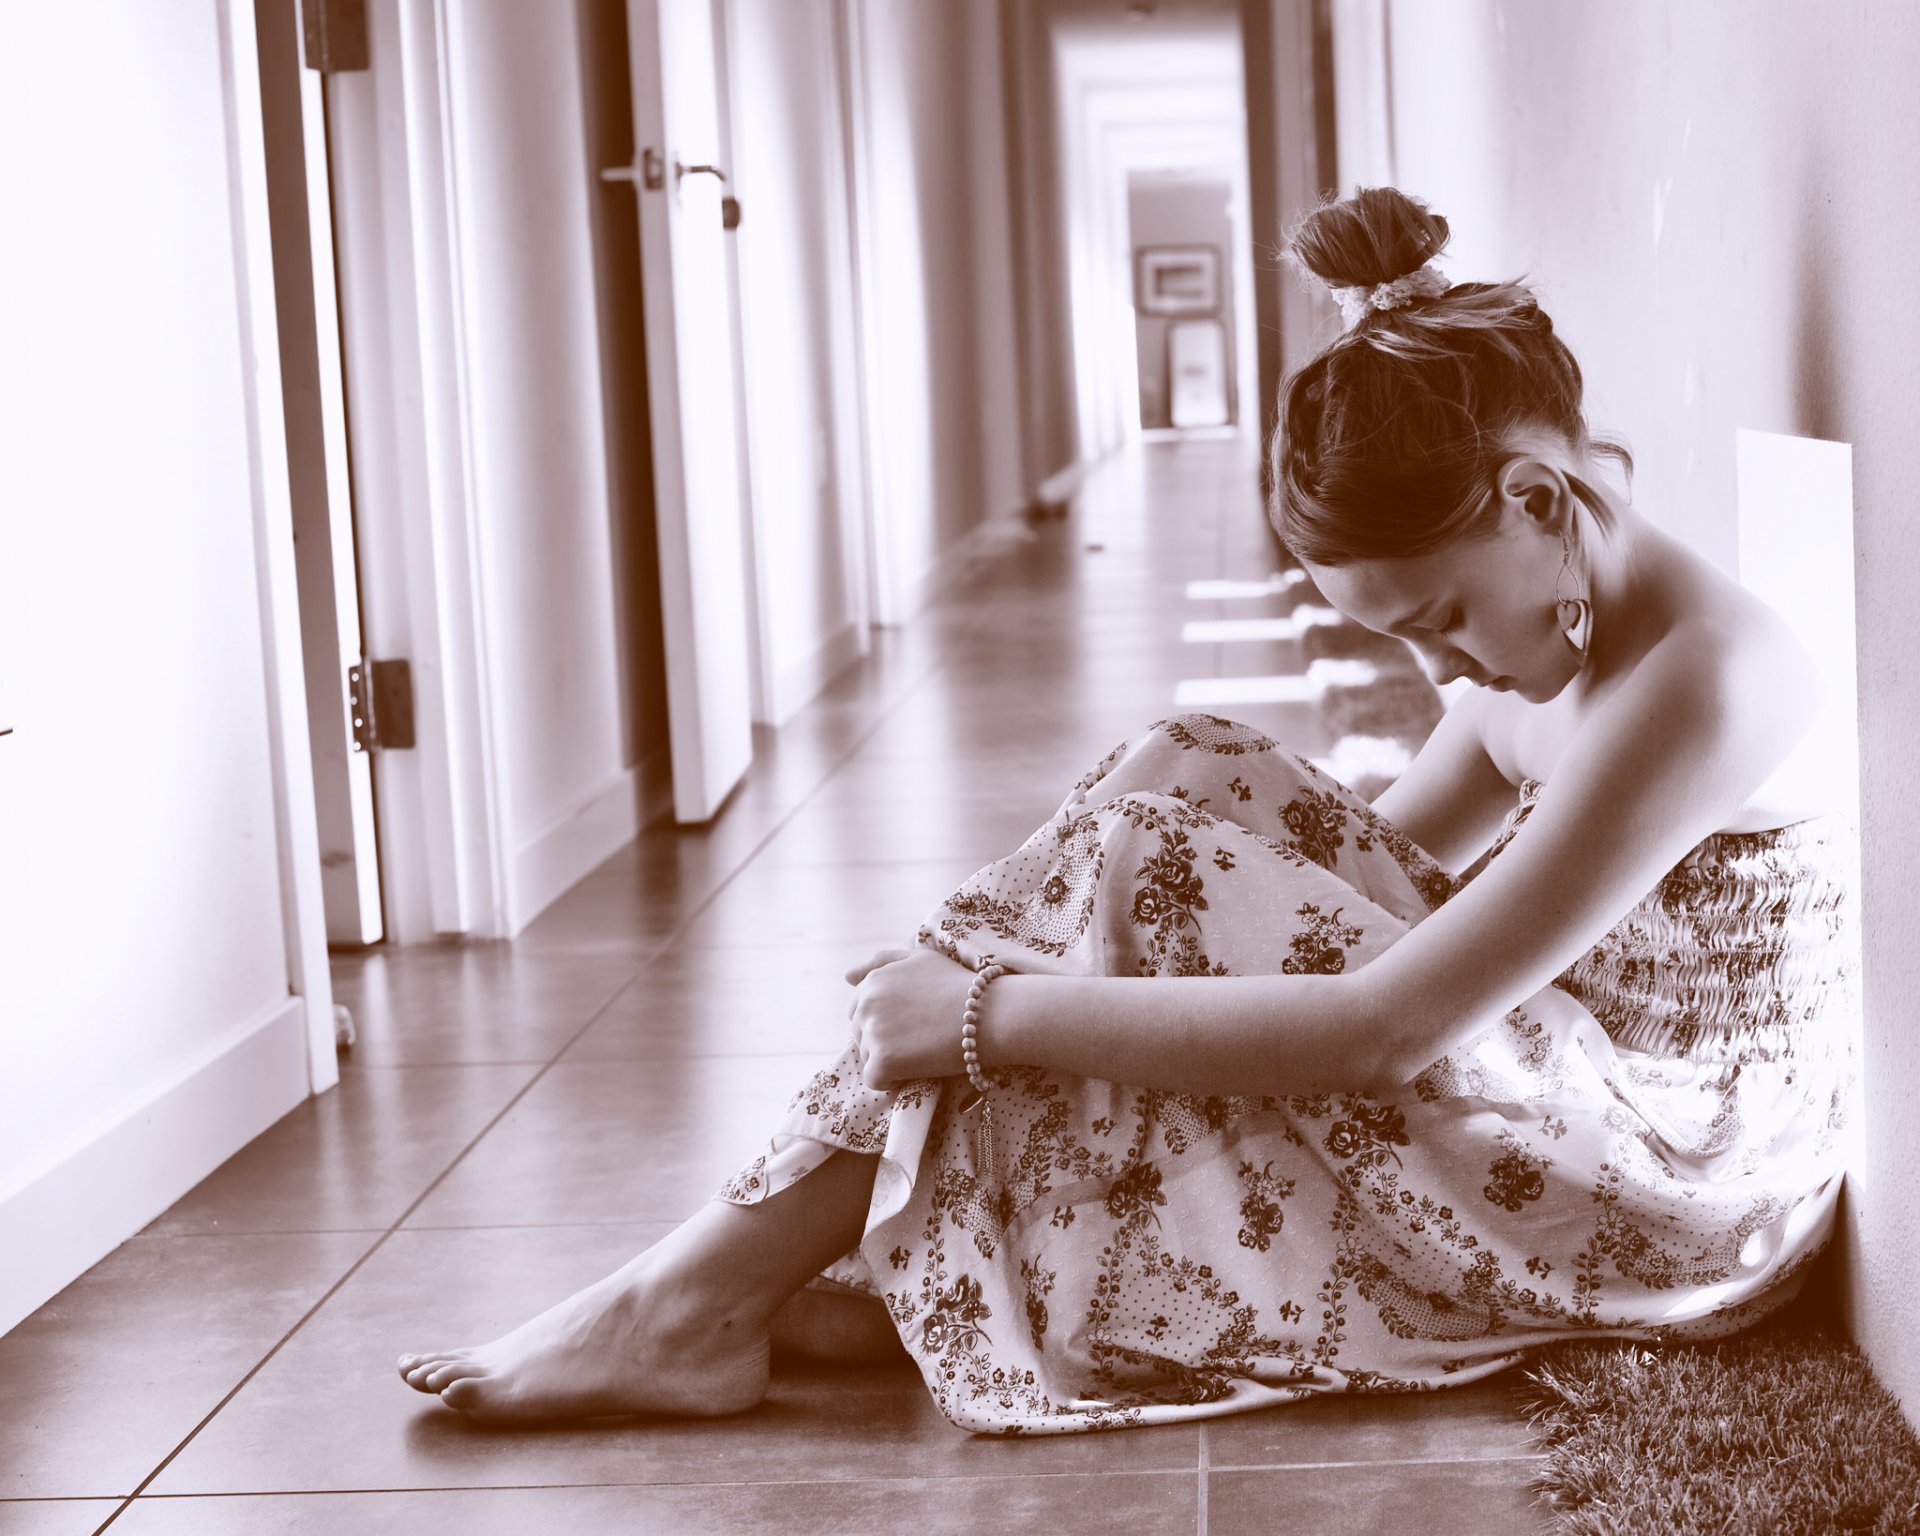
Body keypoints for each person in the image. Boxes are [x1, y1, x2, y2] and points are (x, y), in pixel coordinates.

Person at [396, 187, 1857, 1434]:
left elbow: (1384, 1025)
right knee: (1177, 772)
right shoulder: (1544, 628)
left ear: (1539, 499)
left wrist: (980, 1018)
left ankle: (704, 1287)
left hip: (1680, 1177)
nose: (1444, 668)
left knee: (1155, 863)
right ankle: (791, 1254)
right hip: (1565, 1081)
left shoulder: (1701, 678)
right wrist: (1032, 955)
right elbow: (1353, 883)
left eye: (1443, 616)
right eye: (1405, 640)